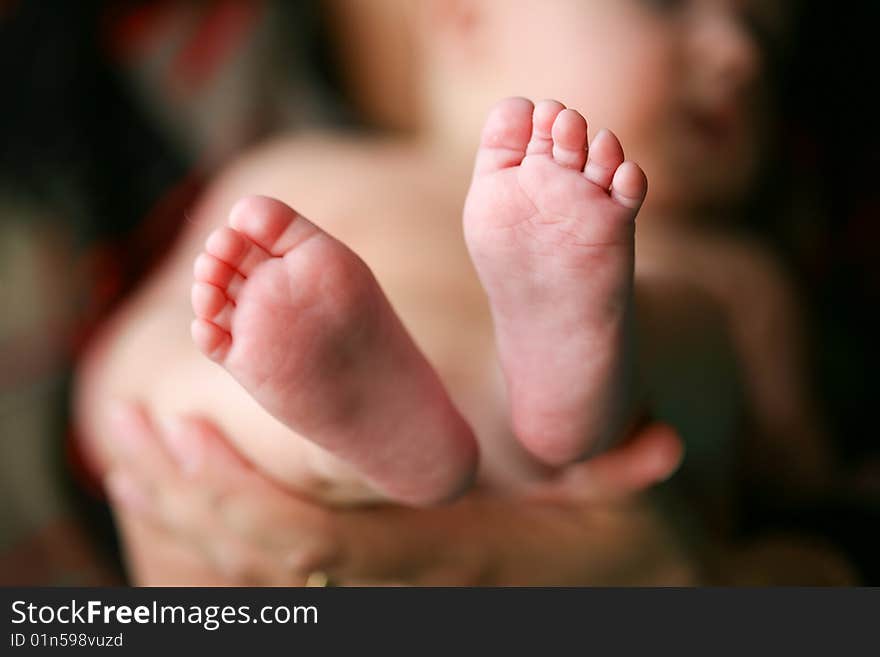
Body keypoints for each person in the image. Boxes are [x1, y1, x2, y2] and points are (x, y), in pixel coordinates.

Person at [76, 0, 839, 583]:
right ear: (459, 13)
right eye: (667, 3)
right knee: (162, 370)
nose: (737, 53)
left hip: (591, 516)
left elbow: (803, 497)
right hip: (295, 505)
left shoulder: (733, 267)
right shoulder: (315, 168)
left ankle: (560, 395)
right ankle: (362, 444)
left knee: (687, 323)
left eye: (764, 37)